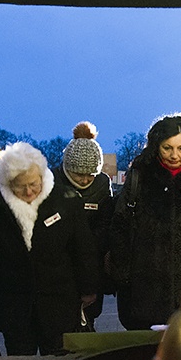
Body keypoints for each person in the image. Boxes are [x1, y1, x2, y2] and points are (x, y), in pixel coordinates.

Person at [0, 141, 100, 355]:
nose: (29, 191)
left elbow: (82, 248)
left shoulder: (66, 200)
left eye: (34, 183)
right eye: (20, 185)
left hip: (59, 302)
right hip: (12, 303)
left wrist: (89, 288)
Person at [108, 114, 181, 330]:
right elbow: (120, 226)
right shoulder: (140, 176)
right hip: (145, 289)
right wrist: (122, 275)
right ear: (156, 146)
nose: (174, 155)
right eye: (167, 148)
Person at [60, 121, 114, 330]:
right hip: (63, 261)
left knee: (89, 313)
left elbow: (106, 220)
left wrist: (91, 243)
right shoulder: (54, 181)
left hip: (93, 259)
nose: (84, 180)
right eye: (78, 174)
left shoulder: (101, 185)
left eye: (89, 175)